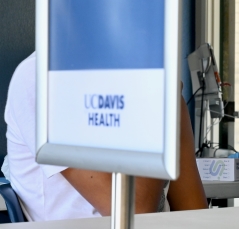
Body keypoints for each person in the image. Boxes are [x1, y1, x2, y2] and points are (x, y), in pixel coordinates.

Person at [5, 52, 208, 221]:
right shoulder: (41, 78)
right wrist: (160, 102)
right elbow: (135, 214)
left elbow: (194, 215)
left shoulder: (154, 86)